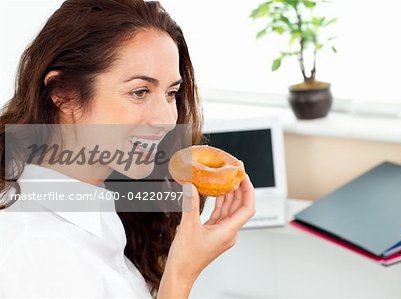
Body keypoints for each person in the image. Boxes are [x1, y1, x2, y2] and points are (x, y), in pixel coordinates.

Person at [0, 0, 256, 298]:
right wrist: (182, 273)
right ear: (64, 94)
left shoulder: (97, 203)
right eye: (140, 92)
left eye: (171, 93)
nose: (166, 119)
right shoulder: (33, 251)